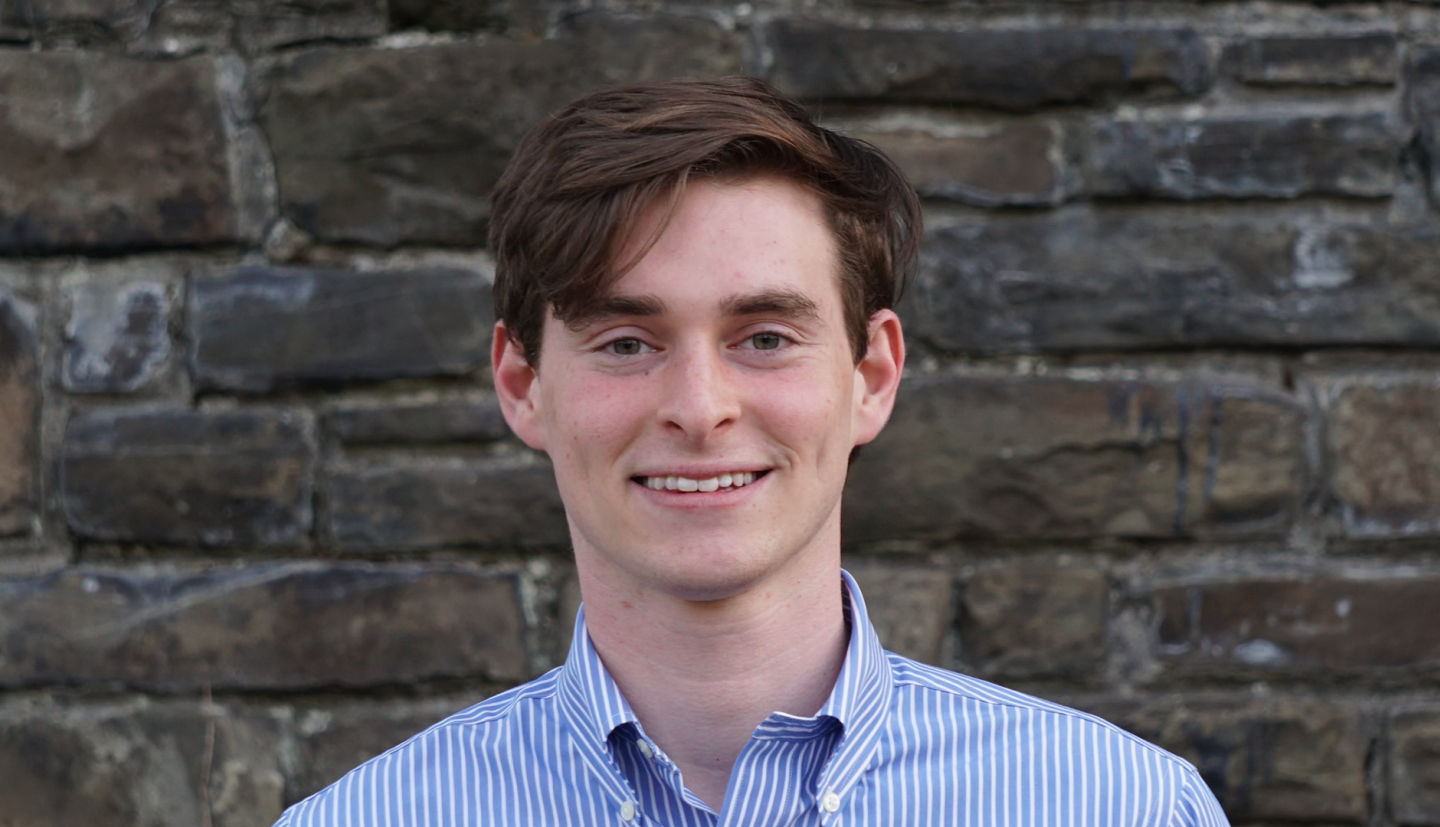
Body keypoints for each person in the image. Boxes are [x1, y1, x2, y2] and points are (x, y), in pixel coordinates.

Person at [274, 77, 1229, 827]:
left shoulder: (1121, 807)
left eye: (765, 336)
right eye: (626, 342)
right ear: (524, 384)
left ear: (872, 375)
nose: (700, 407)